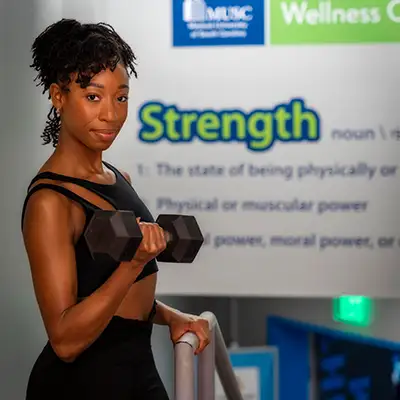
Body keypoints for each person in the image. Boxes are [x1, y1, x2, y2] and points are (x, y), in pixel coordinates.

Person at [21, 18, 210, 400]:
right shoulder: (51, 202)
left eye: (120, 97)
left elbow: (117, 301)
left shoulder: (113, 175)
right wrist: (135, 261)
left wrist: (169, 315)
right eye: (93, 96)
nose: (111, 113)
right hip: (82, 384)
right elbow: (65, 340)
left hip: (136, 367)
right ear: (58, 96)